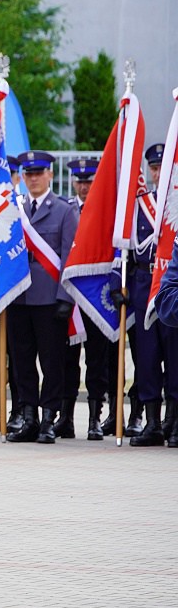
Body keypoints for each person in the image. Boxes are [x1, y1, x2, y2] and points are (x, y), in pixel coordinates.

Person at [7, 151, 79, 443]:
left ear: (50, 175)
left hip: (50, 299)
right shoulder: (14, 209)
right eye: (28, 174)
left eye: (38, 173)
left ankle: (49, 417)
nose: (33, 179)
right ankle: (29, 418)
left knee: (52, 363)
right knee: (22, 362)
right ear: (23, 178)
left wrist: (65, 297)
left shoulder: (63, 210)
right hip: (19, 298)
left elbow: (69, 256)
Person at [124, 143, 178, 446]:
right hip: (144, 283)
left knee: (174, 355)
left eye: (164, 167)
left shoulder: (176, 202)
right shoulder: (140, 205)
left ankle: (175, 421)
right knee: (146, 357)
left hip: (172, 283)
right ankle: (153, 422)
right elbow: (129, 252)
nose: (159, 173)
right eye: (155, 168)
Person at [57, 157, 110, 439]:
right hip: (70, 297)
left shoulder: (106, 212)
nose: (84, 186)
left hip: (96, 297)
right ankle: (65, 417)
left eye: (88, 181)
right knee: (67, 359)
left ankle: (94, 419)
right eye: (79, 181)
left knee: (97, 360)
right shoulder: (66, 211)